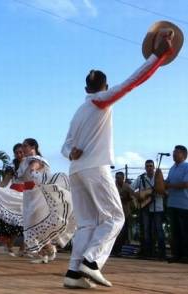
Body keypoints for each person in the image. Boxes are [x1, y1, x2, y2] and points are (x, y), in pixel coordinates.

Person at [61, 37, 172, 289]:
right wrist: (158, 56)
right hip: (95, 168)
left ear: (86, 88)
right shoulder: (102, 101)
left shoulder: (79, 111)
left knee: (88, 223)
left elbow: (65, 145)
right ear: (104, 86)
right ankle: (91, 262)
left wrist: (71, 152)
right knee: (115, 218)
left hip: (76, 170)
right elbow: (133, 82)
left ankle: (73, 273)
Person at [18, 138, 75, 264]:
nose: (23, 148)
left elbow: (35, 167)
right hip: (28, 195)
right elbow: (21, 179)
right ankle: (47, 252)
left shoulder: (37, 160)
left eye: (25, 145)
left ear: (33, 147)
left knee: (35, 222)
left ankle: (45, 252)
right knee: (33, 224)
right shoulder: (24, 162)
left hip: (38, 195)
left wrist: (33, 170)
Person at [131, 160, 166, 259]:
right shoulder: (141, 178)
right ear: (145, 168)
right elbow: (131, 188)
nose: (149, 168)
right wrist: (138, 197)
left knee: (158, 230)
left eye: (151, 166)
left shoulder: (158, 178)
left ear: (154, 167)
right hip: (145, 208)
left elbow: (163, 189)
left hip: (158, 207)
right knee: (146, 230)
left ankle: (161, 253)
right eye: (147, 166)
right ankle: (148, 252)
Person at [165, 145, 188, 263]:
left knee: (185, 231)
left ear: (184, 155)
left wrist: (169, 186)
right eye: (173, 152)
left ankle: (186, 256)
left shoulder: (187, 166)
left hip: (184, 204)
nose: (174, 154)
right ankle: (177, 255)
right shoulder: (172, 168)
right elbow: (167, 181)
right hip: (172, 203)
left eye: (176, 152)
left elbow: (185, 184)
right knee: (175, 232)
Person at [112, 172, 135, 256]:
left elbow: (132, 197)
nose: (118, 179)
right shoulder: (113, 186)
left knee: (124, 233)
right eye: (116, 177)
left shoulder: (127, 186)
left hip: (126, 212)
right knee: (116, 232)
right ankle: (114, 251)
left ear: (123, 178)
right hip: (115, 213)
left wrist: (127, 198)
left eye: (119, 177)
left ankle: (119, 250)